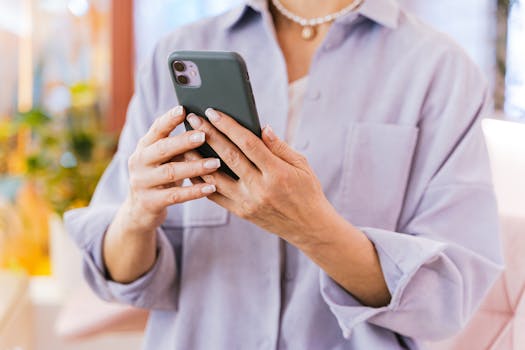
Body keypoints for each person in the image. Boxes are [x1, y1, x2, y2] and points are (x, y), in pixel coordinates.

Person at [65, 0, 504, 348]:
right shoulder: (176, 53)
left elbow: (446, 298)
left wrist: (313, 227)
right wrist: (138, 215)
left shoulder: (441, 70)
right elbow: (121, 278)